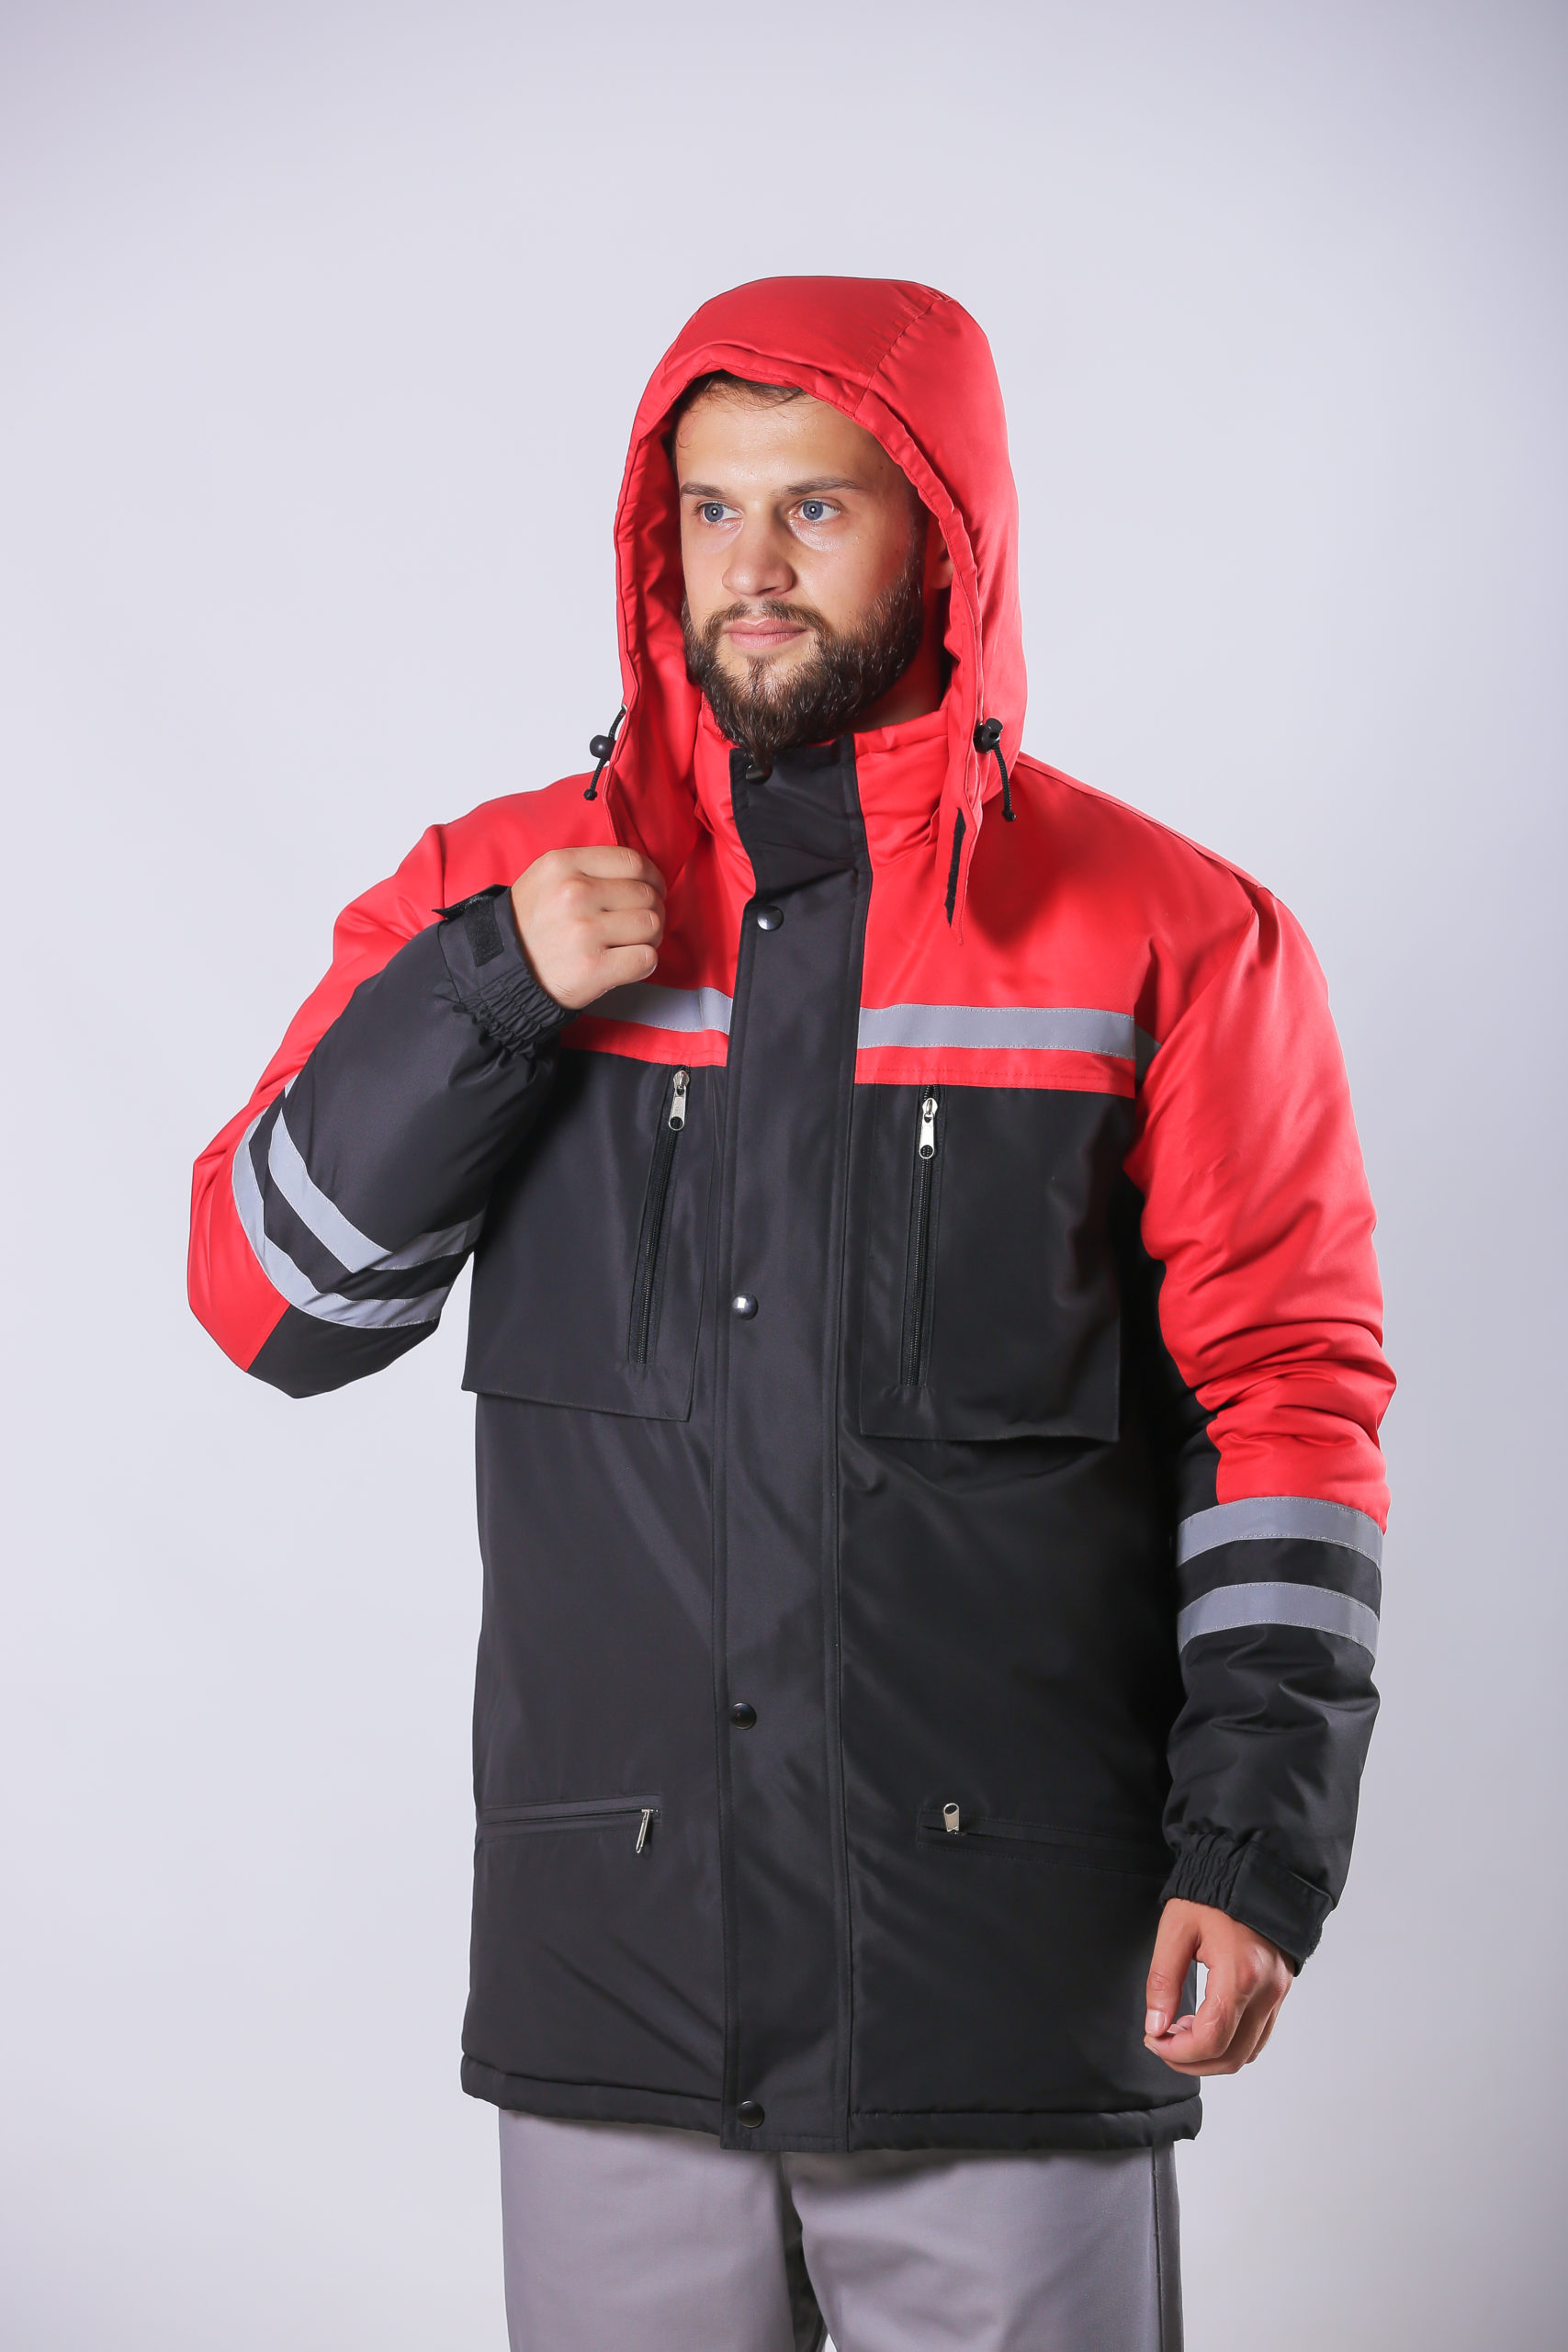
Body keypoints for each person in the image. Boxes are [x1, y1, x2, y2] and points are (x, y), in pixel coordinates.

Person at [189, 277, 1393, 2351]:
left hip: (1001, 1983)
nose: (750, 568)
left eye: (815, 509)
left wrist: (1254, 1843)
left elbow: (1282, 1405)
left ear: (945, 534)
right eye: (710, 510)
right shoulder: (500, 894)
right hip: (617, 1988)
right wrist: (487, 996)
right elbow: (274, 1296)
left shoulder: (1169, 934)